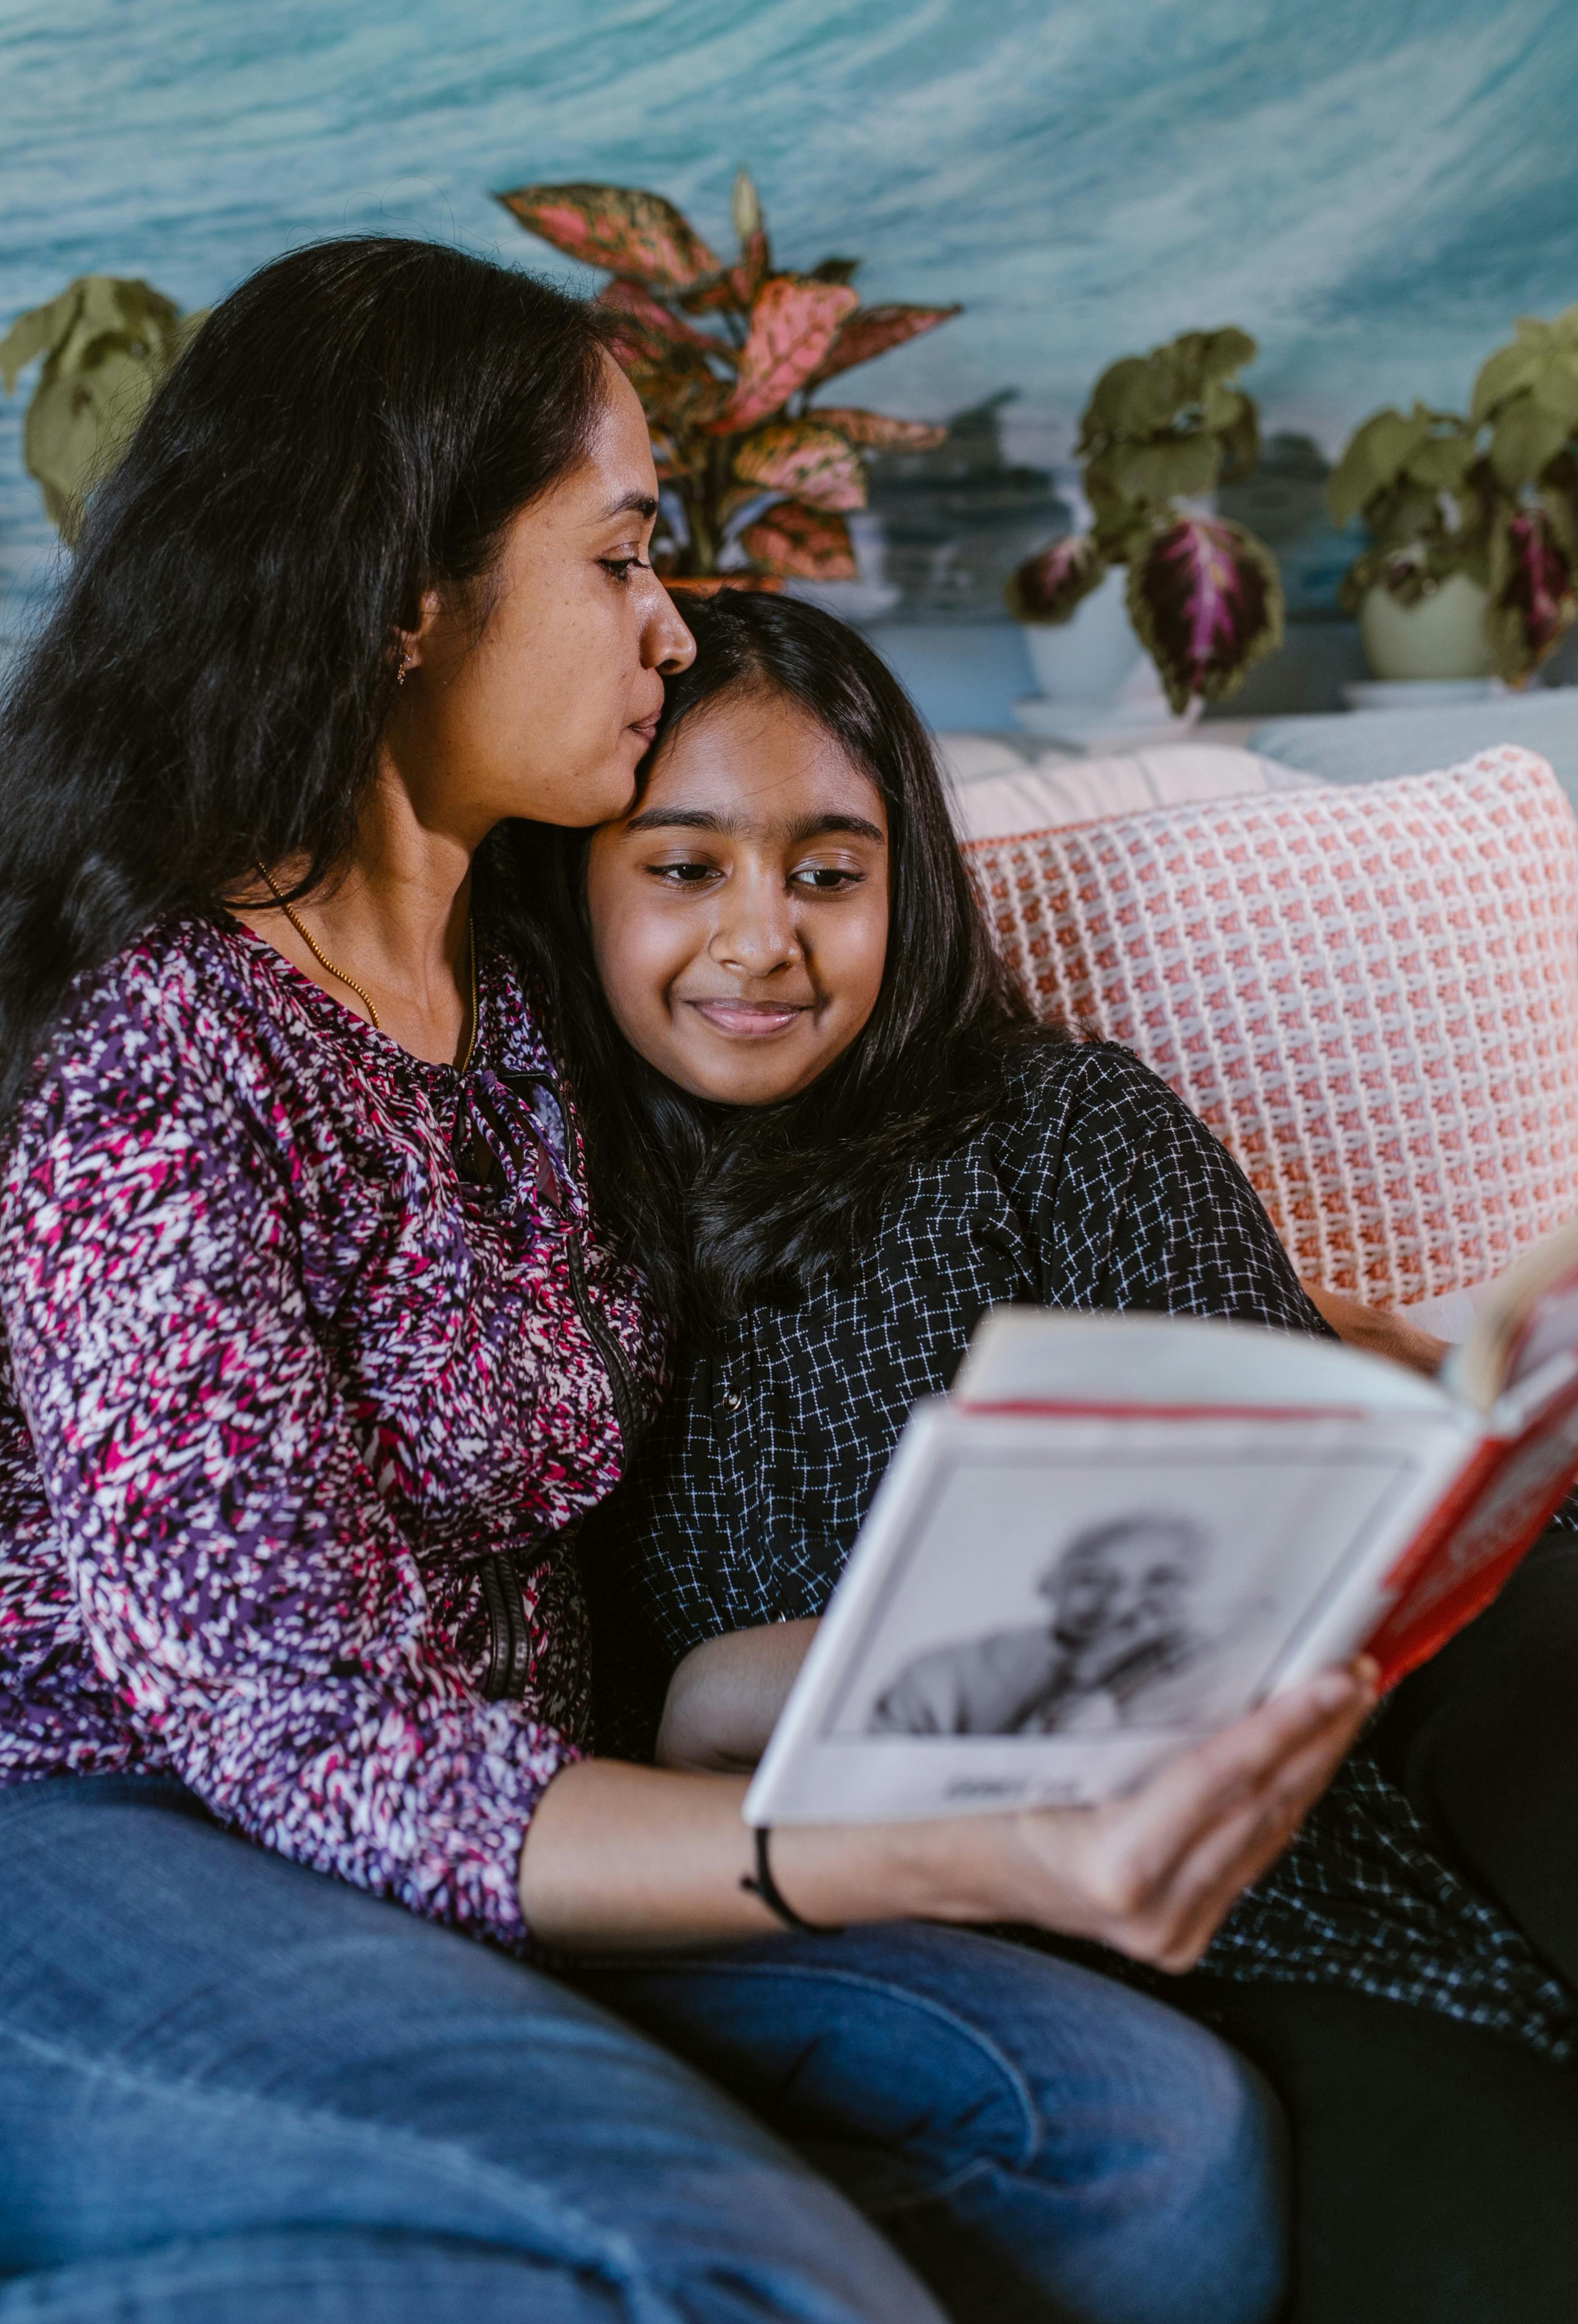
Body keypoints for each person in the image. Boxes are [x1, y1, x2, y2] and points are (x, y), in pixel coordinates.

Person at [0, 243, 1371, 2324]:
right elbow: (315, 1741)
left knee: (1147, 2156)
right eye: (617, 559)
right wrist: (952, 1854)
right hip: (9, 1869)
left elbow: (857, 1144)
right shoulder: (147, 1052)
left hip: (433, 1883)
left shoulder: (529, 993)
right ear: (409, 593)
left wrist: (1365, 1377)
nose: (669, 630)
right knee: (699, 2256)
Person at [499, 583, 1578, 2324]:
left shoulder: (1055, 1122)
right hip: (981, 1918)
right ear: (577, 885)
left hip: (1328, 1745)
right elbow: (580, 1765)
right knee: (1492, 2209)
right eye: (685, 867)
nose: (764, 937)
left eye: (829, 872)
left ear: (900, 888)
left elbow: (1283, 1467)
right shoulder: (541, 1256)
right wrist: (726, 1693)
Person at [869, 1515, 1223, 1736]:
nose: (1123, 1605)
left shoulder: (1210, 1672)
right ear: (1048, 1583)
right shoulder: (943, 1675)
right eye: (1093, 1579)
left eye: (1161, 1582)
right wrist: (1083, 1682)